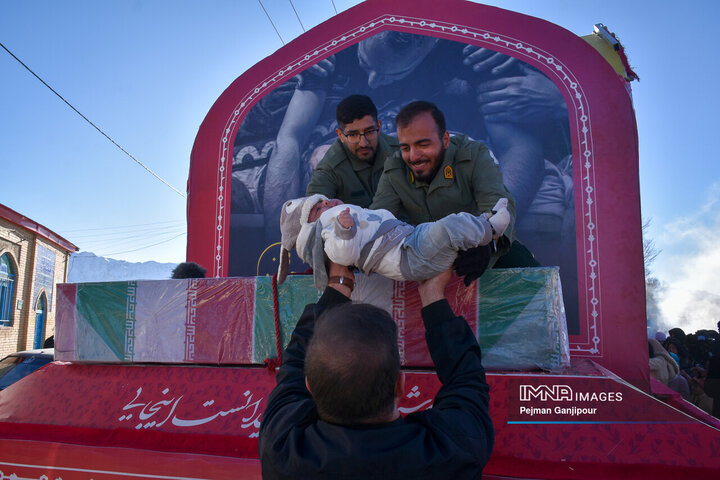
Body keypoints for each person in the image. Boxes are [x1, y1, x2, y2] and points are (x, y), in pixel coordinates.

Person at [258, 262, 494, 479]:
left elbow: (293, 367)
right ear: (400, 385)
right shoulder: (454, 454)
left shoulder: (282, 451)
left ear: (309, 385)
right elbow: (466, 383)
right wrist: (432, 294)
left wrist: (338, 283)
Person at [370, 100, 539, 284]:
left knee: (529, 278)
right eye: (405, 147)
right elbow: (379, 221)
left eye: (423, 145)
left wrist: (489, 245)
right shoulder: (395, 168)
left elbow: (498, 205)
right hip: (423, 259)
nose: (413, 156)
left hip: (479, 252)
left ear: (444, 140)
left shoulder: (473, 155)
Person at [276, 194, 510, 289]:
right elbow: (343, 255)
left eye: (323, 201)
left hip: (410, 238)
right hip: (407, 257)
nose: (325, 205)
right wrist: (345, 231)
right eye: (317, 209)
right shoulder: (330, 230)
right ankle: (489, 228)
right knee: (447, 227)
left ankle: (485, 222)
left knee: (448, 226)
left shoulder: (340, 213)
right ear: (310, 228)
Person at [305, 95, 397, 207]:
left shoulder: (403, 151)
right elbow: (313, 213)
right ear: (340, 135)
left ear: (379, 126)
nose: (364, 143)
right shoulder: (329, 168)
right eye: (353, 135)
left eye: (369, 131)